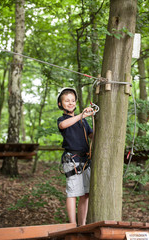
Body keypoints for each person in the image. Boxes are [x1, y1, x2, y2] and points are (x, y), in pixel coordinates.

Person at [57, 87, 94, 226]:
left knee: (86, 194)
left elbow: (92, 135)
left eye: (73, 100)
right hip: (72, 161)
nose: (71, 103)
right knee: (72, 193)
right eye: (67, 101)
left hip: (85, 161)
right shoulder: (63, 119)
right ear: (61, 104)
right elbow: (63, 125)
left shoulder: (83, 122)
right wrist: (82, 115)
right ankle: (72, 225)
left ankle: (82, 224)